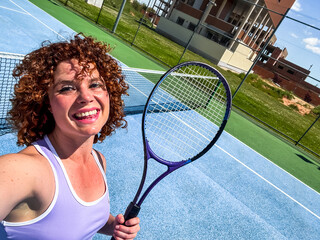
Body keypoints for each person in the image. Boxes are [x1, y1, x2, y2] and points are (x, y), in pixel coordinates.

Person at [0, 34, 140, 240]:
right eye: (67, 88)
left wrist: (114, 226)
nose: (86, 96)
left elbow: (77, 218)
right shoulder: (20, 171)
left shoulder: (99, 161)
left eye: (95, 84)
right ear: (46, 102)